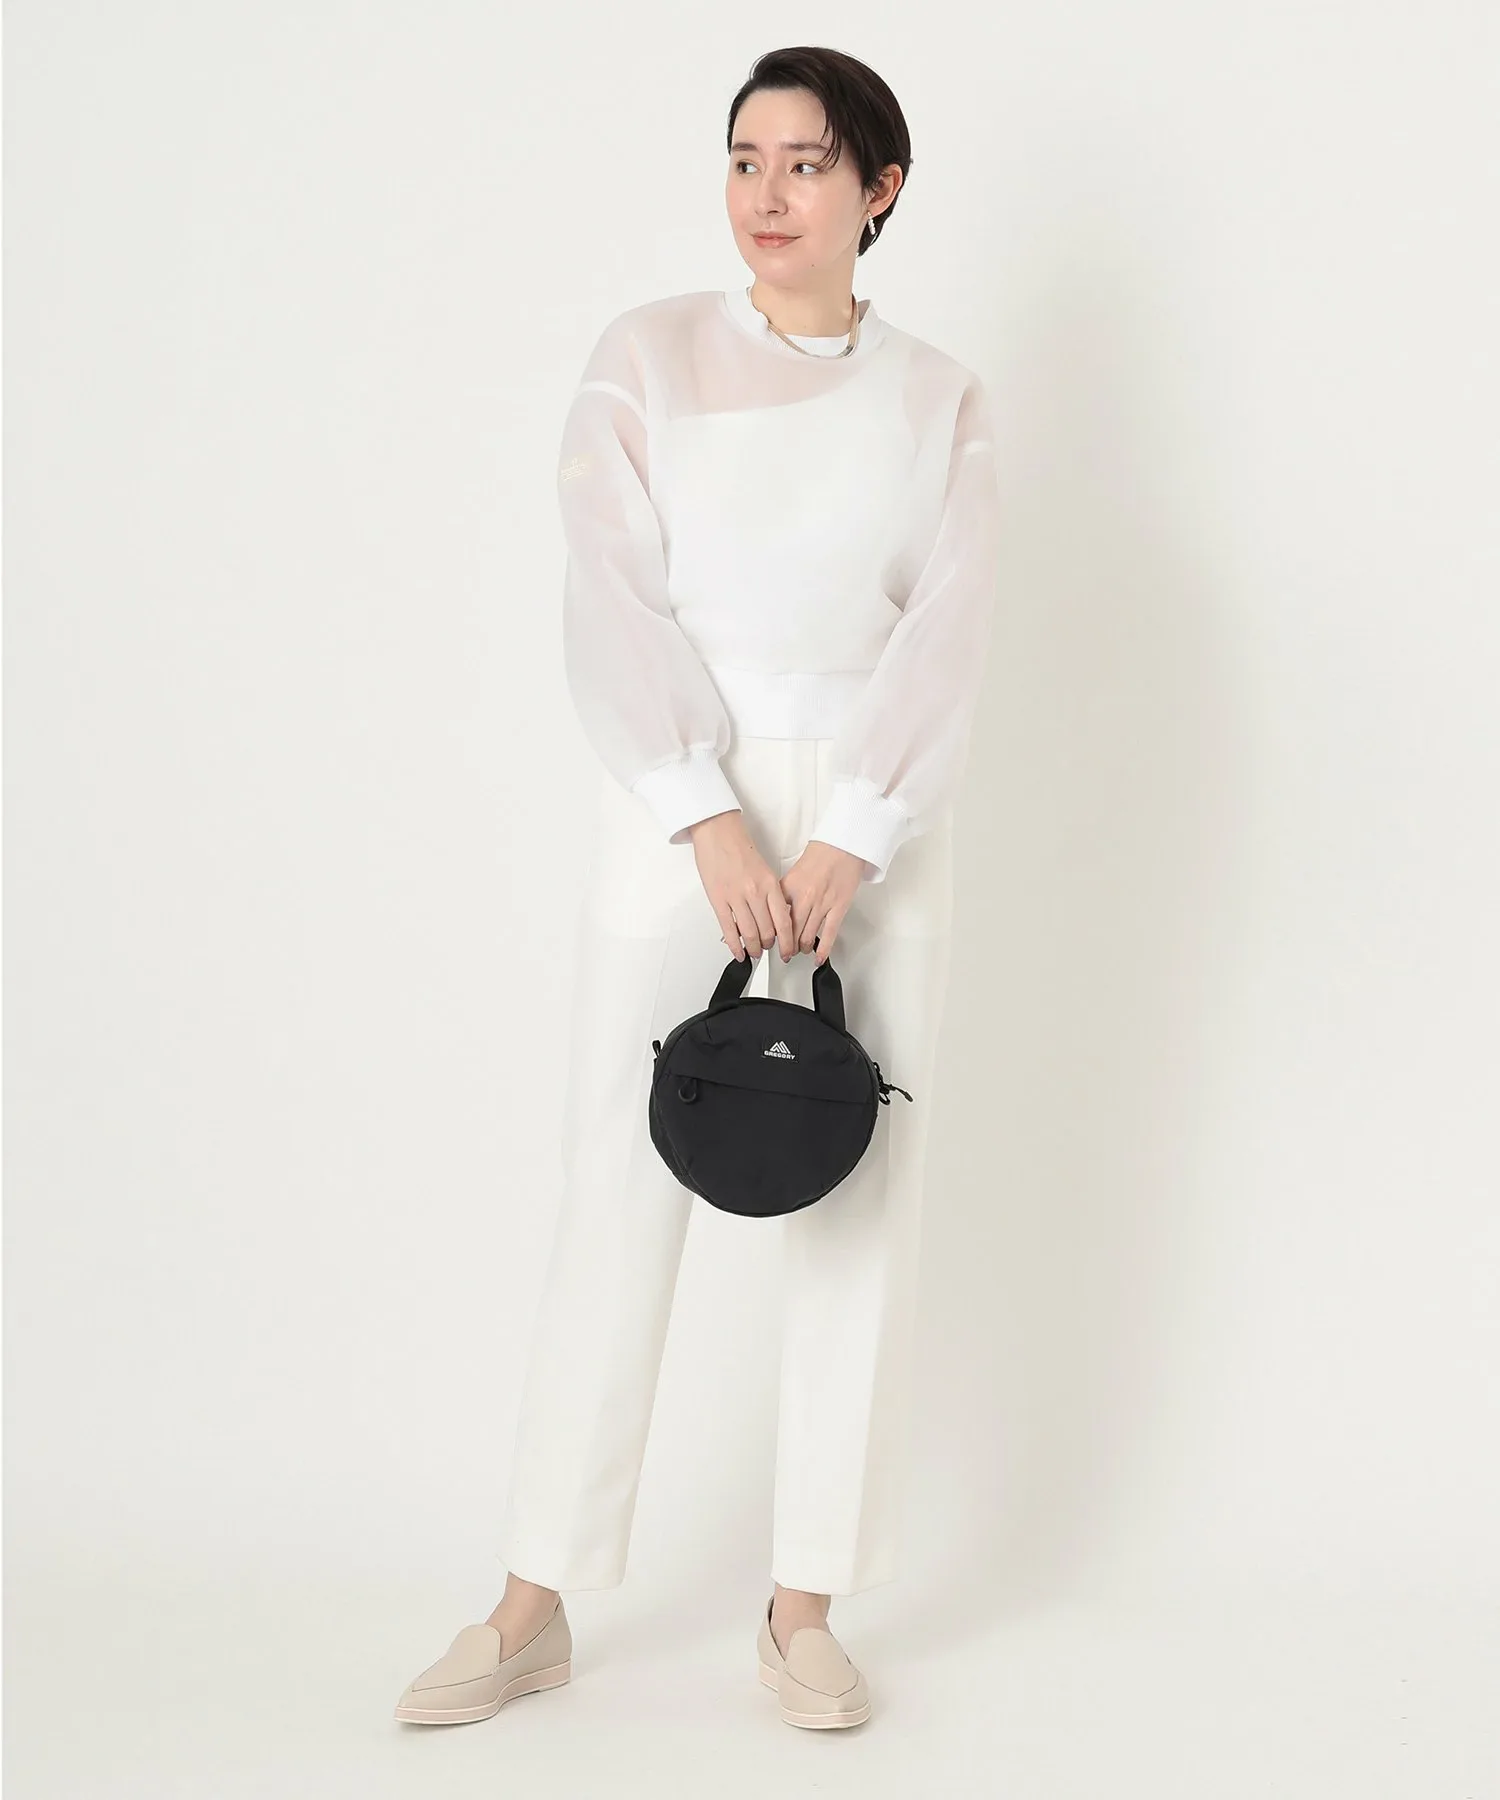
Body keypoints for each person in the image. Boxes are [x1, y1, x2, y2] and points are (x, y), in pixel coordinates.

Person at [395, 44, 1002, 1733]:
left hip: (879, 816)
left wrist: (853, 830)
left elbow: (951, 625)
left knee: (860, 1186)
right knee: (617, 1175)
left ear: (879, 188)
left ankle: (804, 1608)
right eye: (745, 158)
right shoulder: (647, 357)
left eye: (807, 163)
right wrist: (705, 815)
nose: (767, 194)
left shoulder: (942, 396)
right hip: (684, 813)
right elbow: (610, 591)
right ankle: (532, 1602)